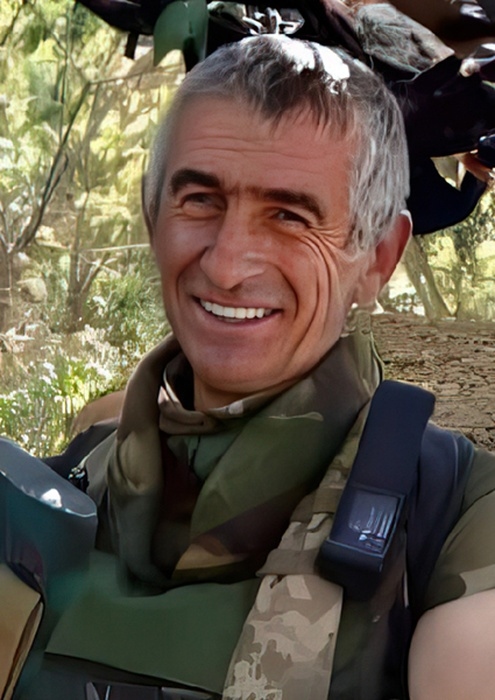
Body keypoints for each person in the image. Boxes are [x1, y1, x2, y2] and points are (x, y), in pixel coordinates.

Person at [9, 34, 495, 700]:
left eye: (289, 215)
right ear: (153, 217)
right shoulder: (64, 481)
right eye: (199, 200)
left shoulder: (454, 516)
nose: (227, 265)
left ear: (377, 259)